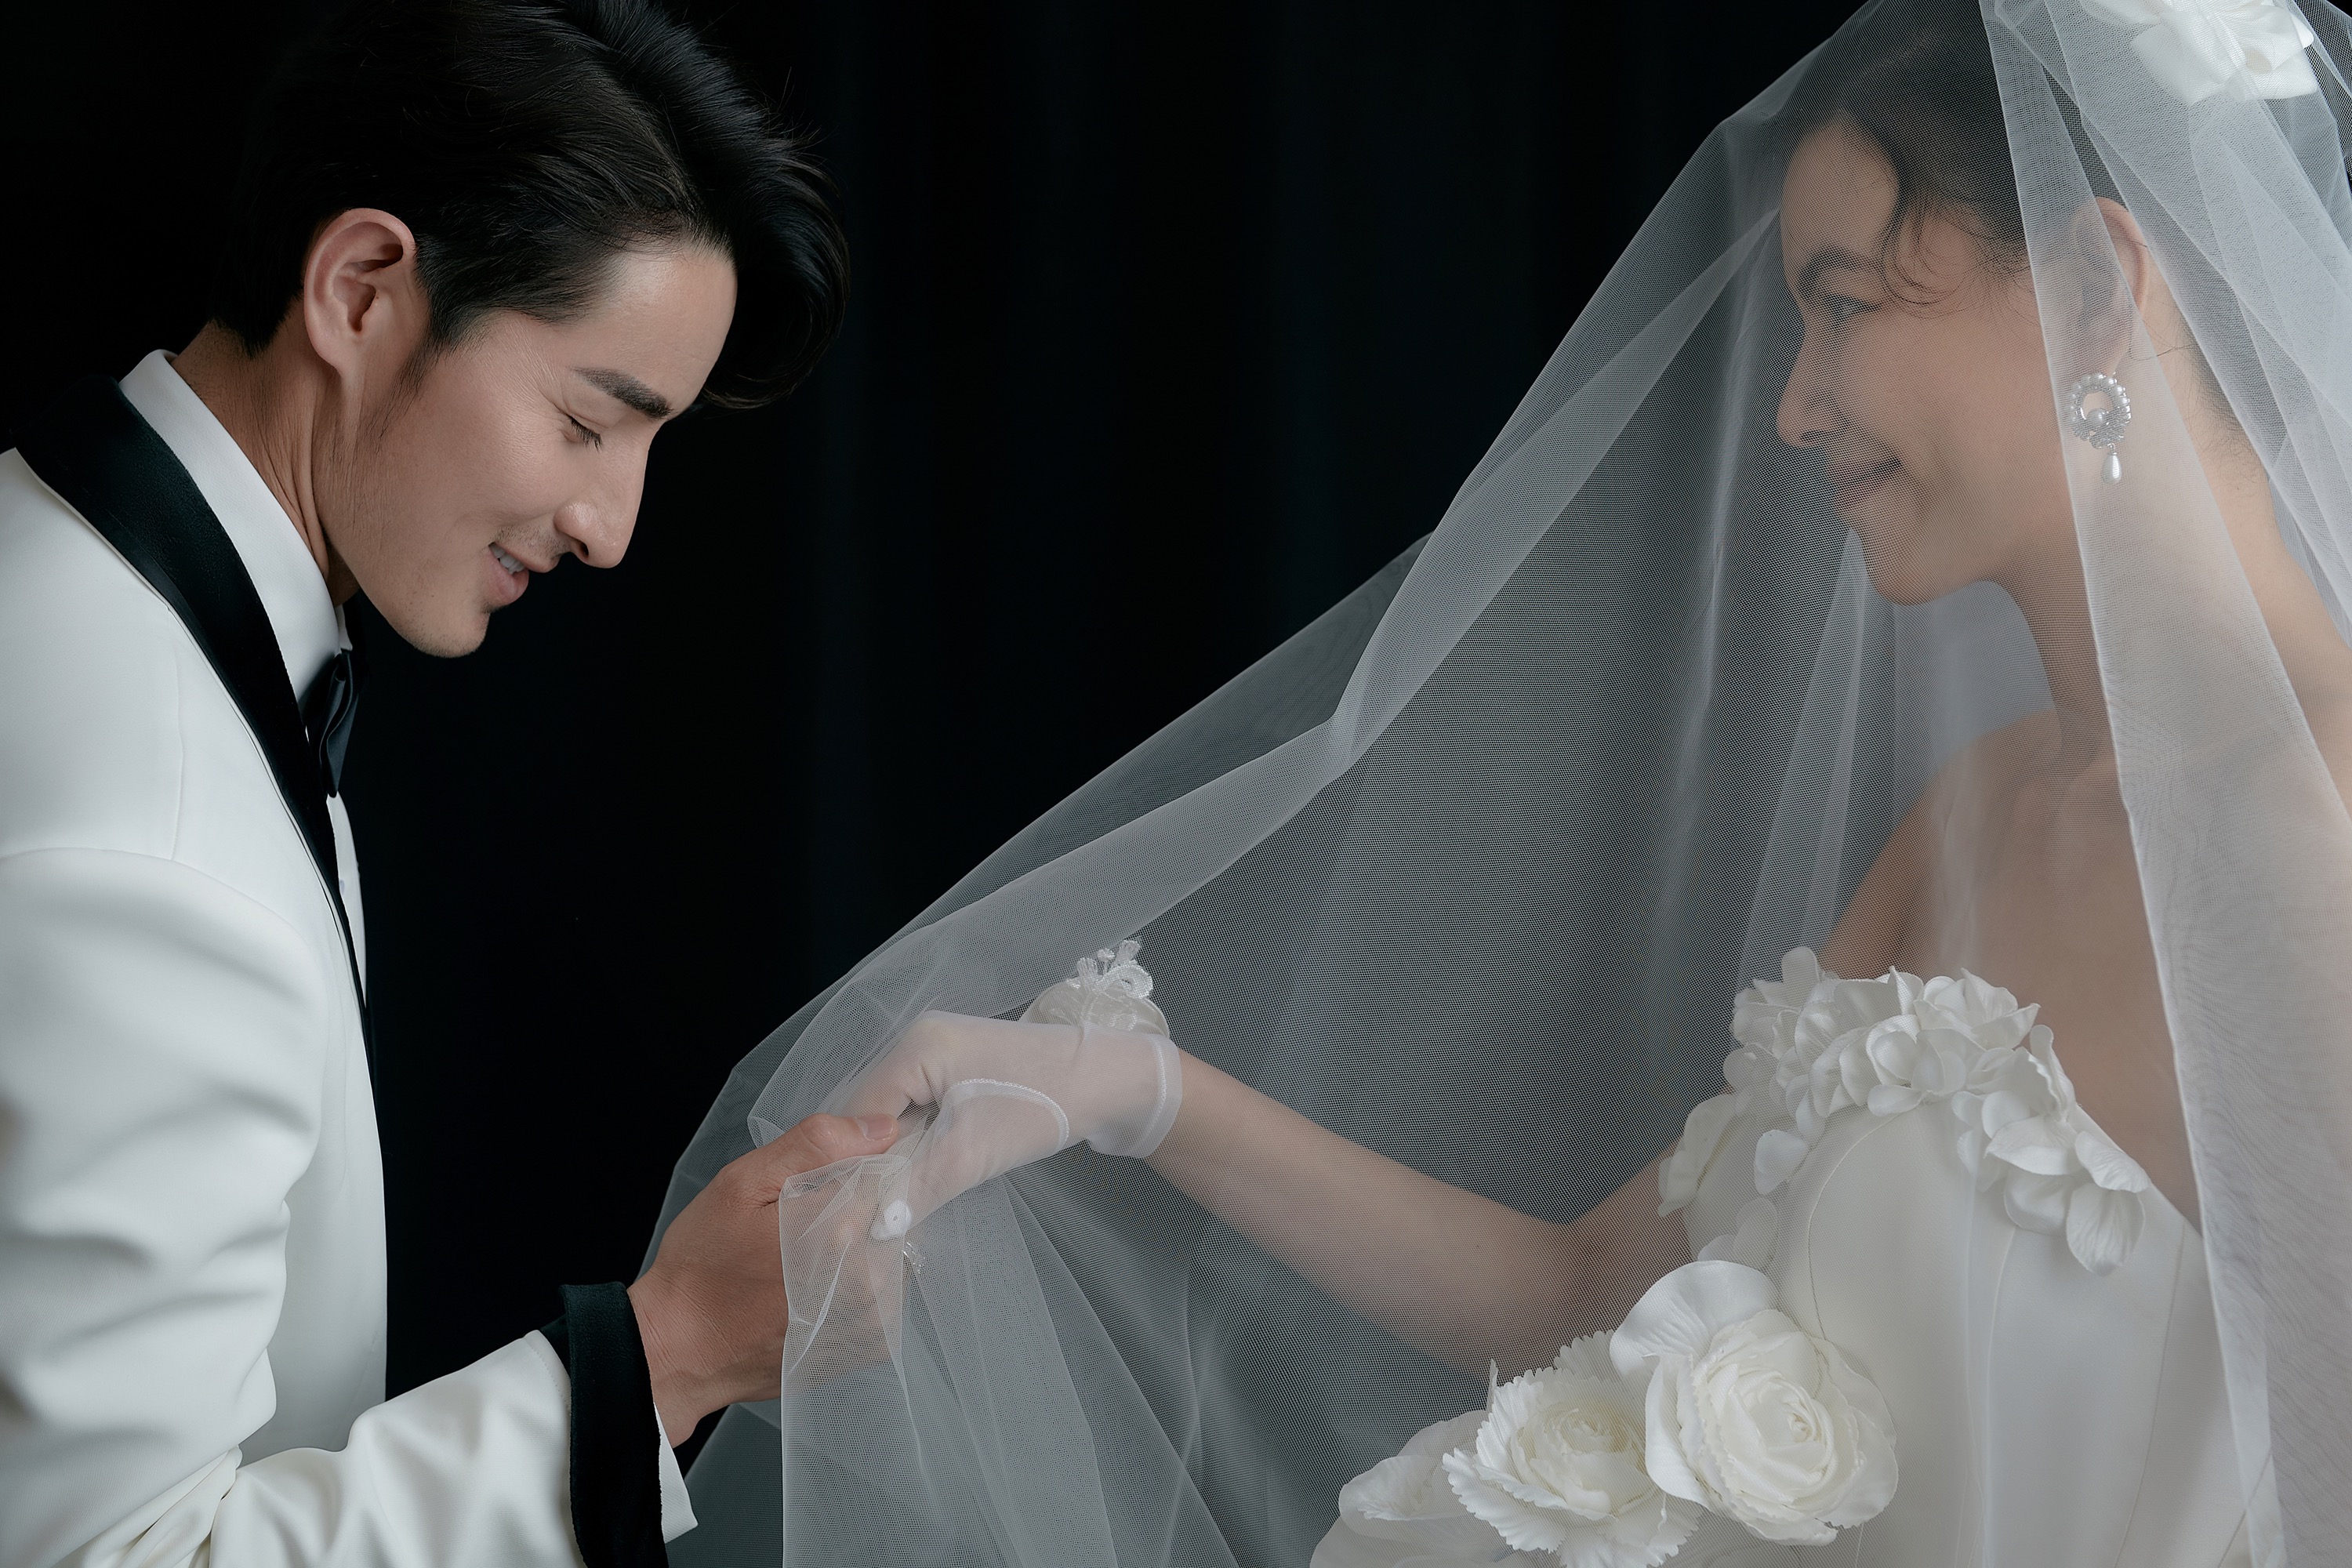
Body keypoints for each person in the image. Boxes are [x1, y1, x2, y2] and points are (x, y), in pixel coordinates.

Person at [652, 0, 2352, 1563]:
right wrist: (1127, 1090)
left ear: (2092, 287)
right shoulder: (1981, 812)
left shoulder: (2319, 831)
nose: (1793, 407)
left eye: (1843, 304)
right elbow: (1591, 1289)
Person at [0, 4, 902, 1566]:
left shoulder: (58, 573)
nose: (613, 527)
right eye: (588, 420)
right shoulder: (157, 851)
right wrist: (669, 1353)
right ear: (359, 290)